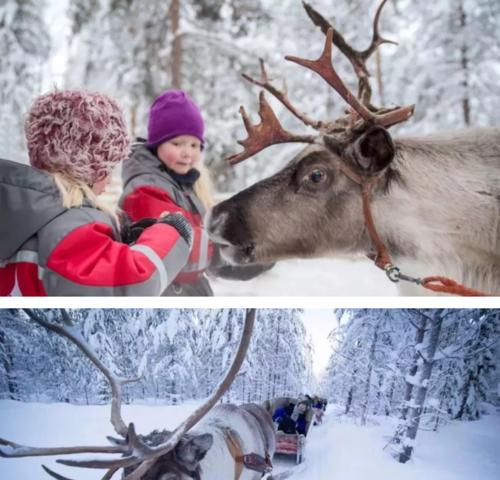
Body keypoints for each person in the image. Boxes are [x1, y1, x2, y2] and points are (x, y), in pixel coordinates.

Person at [0, 90, 192, 296]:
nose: (109, 182)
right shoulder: (70, 227)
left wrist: (118, 244)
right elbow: (136, 282)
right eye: (107, 169)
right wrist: (173, 232)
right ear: (87, 168)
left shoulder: (23, 216)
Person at [120, 89, 272, 296]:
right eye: (177, 143)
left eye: (194, 145)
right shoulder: (147, 190)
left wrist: (261, 252)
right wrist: (228, 247)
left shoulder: (185, 186)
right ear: (156, 144)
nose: (187, 152)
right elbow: (176, 252)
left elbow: (207, 256)